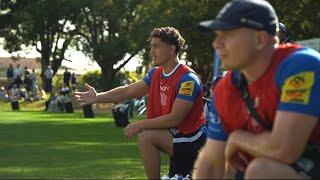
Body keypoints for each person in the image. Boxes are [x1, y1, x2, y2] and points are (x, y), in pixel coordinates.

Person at [194, 0, 320, 179]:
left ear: (260, 39)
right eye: (217, 35)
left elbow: (284, 148)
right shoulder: (225, 89)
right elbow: (213, 163)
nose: (217, 44)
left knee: (260, 171)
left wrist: (237, 139)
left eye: (228, 34)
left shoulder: (301, 66)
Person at [75, 27, 206, 179]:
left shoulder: (188, 79)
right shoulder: (155, 74)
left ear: (171, 49)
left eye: (156, 46)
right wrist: (98, 97)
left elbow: (174, 119)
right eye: (151, 46)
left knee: (145, 137)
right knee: (147, 138)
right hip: (177, 139)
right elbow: (128, 91)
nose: (151, 51)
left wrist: (140, 124)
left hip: (193, 140)